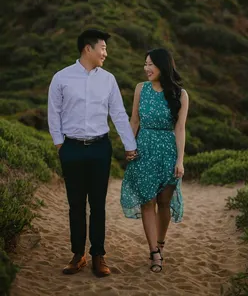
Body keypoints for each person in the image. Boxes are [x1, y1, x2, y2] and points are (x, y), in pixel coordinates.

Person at [48, 29, 137, 277]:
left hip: (100, 147)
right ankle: (78, 254)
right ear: (88, 49)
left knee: (98, 204)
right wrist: (59, 145)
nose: (105, 53)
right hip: (72, 148)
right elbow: (53, 112)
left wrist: (129, 145)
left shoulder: (108, 79)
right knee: (75, 204)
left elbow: (118, 114)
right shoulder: (61, 78)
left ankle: (99, 254)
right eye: (103, 48)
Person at [120, 48, 188, 272]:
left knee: (164, 203)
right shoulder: (141, 89)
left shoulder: (180, 94)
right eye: (145, 63)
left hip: (168, 152)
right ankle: (153, 252)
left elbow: (180, 129)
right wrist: (129, 147)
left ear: (163, 66)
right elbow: (134, 121)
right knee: (147, 201)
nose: (146, 68)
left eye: (151, 64)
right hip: (144, 150)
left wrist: (180, 160)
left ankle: (161, 243)